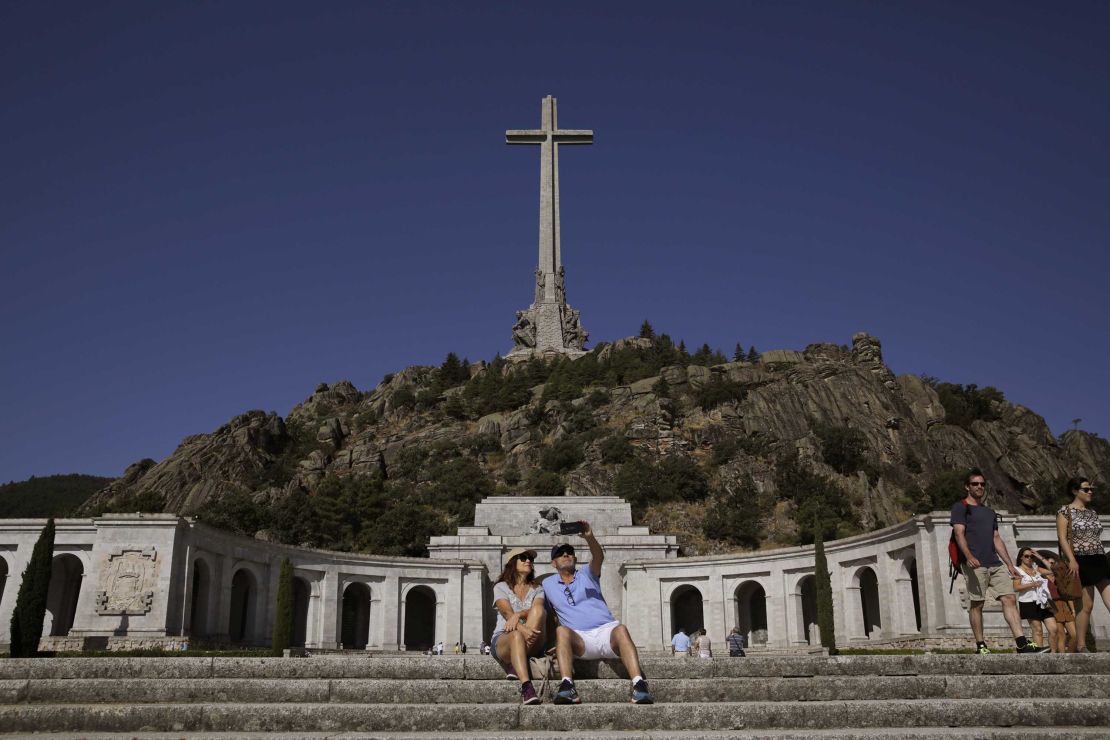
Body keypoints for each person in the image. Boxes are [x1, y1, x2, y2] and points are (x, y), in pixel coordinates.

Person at [543, 521, 654, 705]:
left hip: (606, 632)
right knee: (562, 631)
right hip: (579, 639)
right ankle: (567, 686)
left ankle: (639, 685)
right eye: (560, 554)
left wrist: (589, 538)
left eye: (569, 552)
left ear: (575, 559)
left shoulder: (587, 573)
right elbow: (541, 609)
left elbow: (598, 556)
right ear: (553, 563)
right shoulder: (547, 584)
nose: (566, 555)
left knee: (621, 629)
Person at [950, 468, 1047, 653]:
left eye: (982, 484)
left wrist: (1010, 564)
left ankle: (1021, 644)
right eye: (975, 484)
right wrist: (969, 556)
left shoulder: (989, 512)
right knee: (977, 604)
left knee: (1010, 598)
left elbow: (996, 538)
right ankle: (981, 645)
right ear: (967, 486)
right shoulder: (960, 507)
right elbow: (958, 533)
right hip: (975, 563)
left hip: (995, 563)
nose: (979, 487)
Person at [1057, 477, 1110, 652]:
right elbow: (1062, 538)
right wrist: (1072, 560)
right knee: (1086, 606)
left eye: (1091, 489)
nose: (1090, 492)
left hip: (1099, 559)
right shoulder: (1065, 511)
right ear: (1075, 491)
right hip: (1081, 560)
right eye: (1086, 489)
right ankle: (1081, 645)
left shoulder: (1093, 513)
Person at [490, 547, 546, 705]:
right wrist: (522, 628)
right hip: (505, 638)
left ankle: (515, 664)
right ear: (512, 563)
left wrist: (519, 615)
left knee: (538, 610)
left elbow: (538, 608)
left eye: (530, 559)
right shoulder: (500, 587)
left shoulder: (538, 588)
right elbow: (506, 613)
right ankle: (527, 687)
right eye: (523, 557)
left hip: (533, 640)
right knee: (515, 636)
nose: (528, 561)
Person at [1013, 548, 1059, 652]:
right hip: (1028, 603)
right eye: (1026, 556)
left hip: (1043, 602)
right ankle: (1039, 654)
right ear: (1021, 557)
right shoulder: (1017, 570)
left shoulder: (1036, 568)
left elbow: (1053, 571)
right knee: (1038, 630)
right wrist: (1032, 584)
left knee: (1053, 629)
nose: (1029, 558)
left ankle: (1053, 654)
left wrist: (1040, 557)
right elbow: (1016, 587)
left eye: (1031, 556)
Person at [1039, 550, 1078, 653]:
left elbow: (1067, 594)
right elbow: (1039, 570)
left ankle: (1069, 656)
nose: (1052, 565)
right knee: (1061, 636)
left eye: (1053, 563)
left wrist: (1073, 610)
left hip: (1065, 605)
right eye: (1050, 563)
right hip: (1053, 606)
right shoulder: (1042, 576)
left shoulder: (1060, 577)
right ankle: (1063, 658)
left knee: (1075, 635)